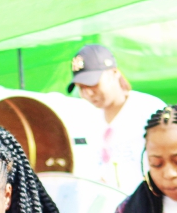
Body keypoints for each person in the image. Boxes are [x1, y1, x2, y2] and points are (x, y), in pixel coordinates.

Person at [68, 44, 165, 192]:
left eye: (92, 84)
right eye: (81, 88)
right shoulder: (84, 118)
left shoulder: (149, 111)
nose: (88, 93)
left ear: (114, 73)